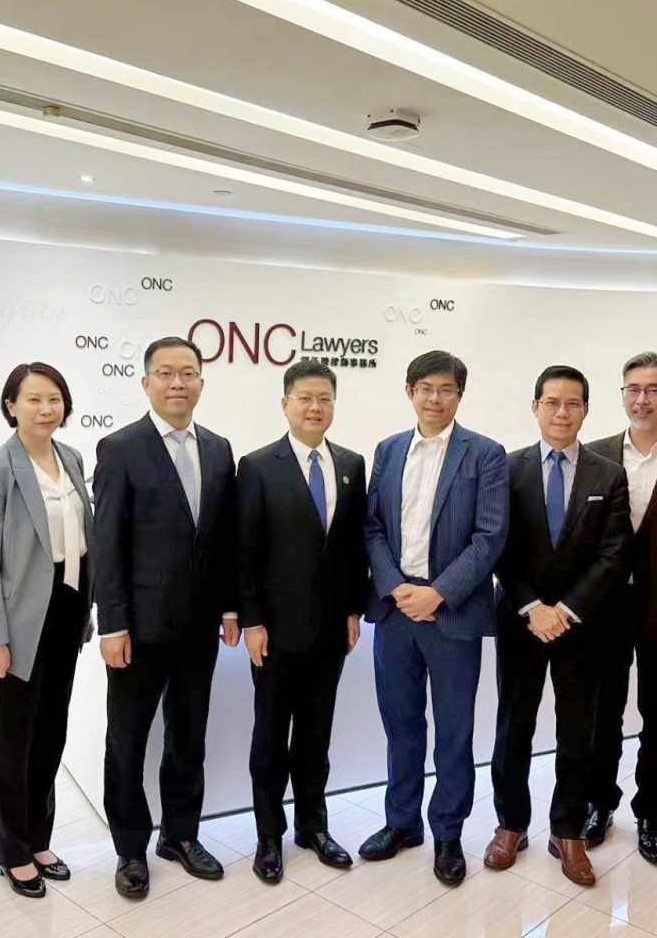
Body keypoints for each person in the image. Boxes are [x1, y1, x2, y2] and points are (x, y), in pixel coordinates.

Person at [94, 336, 239, 900]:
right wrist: (112, 624)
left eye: (188, 373)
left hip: (199, 629)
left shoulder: (219, 448)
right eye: (165, 373)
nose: (178, 383)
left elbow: (222, 540)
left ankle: (180, 836)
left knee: (188, 737)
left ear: (201, 381)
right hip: (138, 628)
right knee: (127, 742)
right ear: (146, 382)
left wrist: (230, 606)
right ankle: (130, 848)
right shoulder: (120, 448)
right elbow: (107, 544)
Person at [359, 350, 509, 886]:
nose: (435, 398)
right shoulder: (388, 450)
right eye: (425, 388)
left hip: (452, 614)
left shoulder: (485, 454)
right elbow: (372, 526)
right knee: (400, 725)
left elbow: (489, 537)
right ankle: (402, 823)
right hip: (396, 610)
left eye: (446, 389)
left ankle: (447, 832)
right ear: (409, 391)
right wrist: (394, 586)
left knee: (453, 731)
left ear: (459, 396)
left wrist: (438, 593)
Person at [485, 365, 631, 887]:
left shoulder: (607, 474)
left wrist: (565, 610)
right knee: (514, 726)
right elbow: (497, 545)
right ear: (535, 407)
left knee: (577, 731)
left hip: (581, 626)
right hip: (521, 620)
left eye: (573, 403)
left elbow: (614, 554)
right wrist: (532, 607)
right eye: (552, 402)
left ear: (586, 410)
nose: (562, 412)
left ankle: (567, 830)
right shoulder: (506, 468)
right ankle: (510, 824)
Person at [0, 363, 94, 897]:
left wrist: (86, 609)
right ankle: (11, 850)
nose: (46, 409)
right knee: (14, 738)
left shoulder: (72, 457)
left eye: (54, 399)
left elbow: (81, 539)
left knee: (51, 730)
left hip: (67, 609)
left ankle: (39, 838)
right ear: (11, 405)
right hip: (18, 621)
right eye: (34, 399)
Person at [237, 361, 368, 884]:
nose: (315, 407)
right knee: (270, 737)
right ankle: (268, 836)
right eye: (305, 398)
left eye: (325, 399)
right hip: (274, 630)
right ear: (286, 403)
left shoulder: (352, 464)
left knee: (316, 735)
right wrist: (251, 620)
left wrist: (354, 609)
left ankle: (313, 827)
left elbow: (353, 546)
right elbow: (245, 549)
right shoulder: (257, 465)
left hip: (330, 629)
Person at [583, 351, 657, 863]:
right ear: (622, 394)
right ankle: (598, 803)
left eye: (653, 389)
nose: (642, 399)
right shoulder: (596, 455)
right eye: (634, 389)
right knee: (601, 711)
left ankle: (651, 811)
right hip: (605, 605)